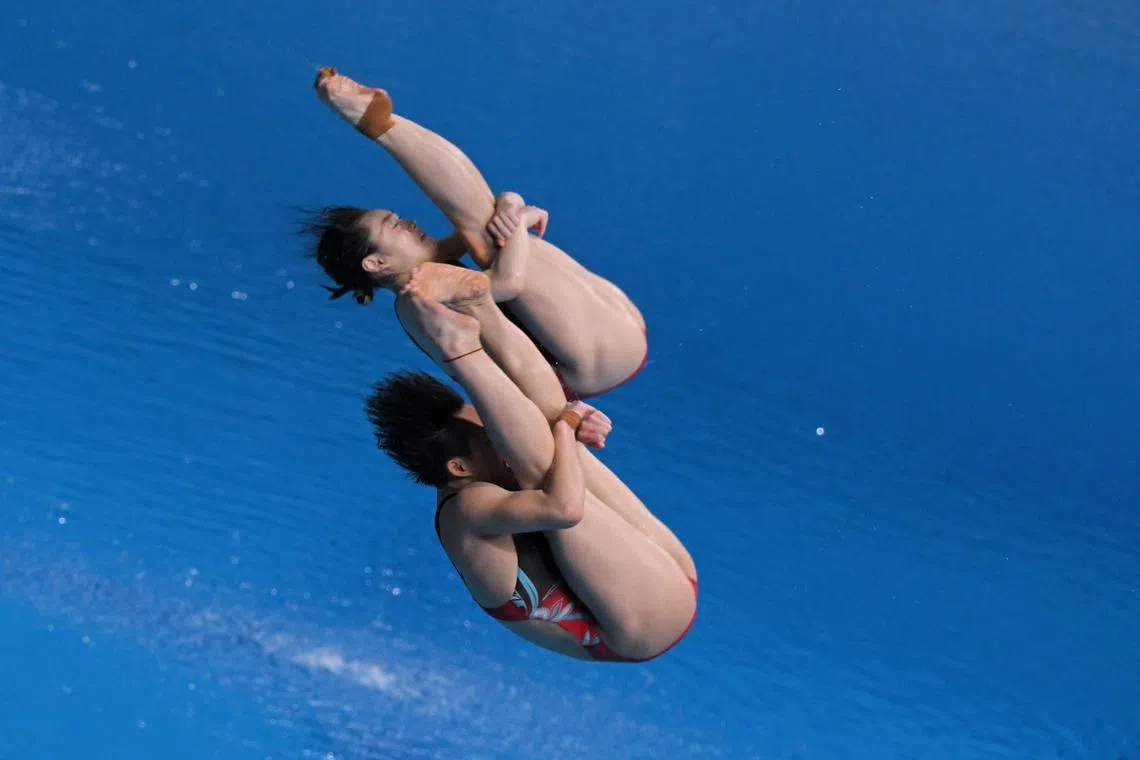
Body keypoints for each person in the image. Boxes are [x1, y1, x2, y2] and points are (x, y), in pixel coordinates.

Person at [370, 261, 697, 662]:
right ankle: (465, 355)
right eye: (492, 432)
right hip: (641, 626)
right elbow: (564, 509)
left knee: (546, 420)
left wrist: (573, 427)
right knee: (543, 448)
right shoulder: (468, 510)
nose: (503, 428)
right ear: (460, 469)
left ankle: (481, 311)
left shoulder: (479, 472)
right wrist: (568, 425)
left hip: (664, 567)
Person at [302, 66, 648, 399]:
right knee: (488, 234)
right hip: (591, 364)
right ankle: (378, 124)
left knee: (487, 227)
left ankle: (381, 123)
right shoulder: (419, 297)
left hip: (613, 339)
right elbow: (506, 282)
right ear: (376, 263)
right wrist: (518, 221)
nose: (408, 224)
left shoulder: (433, 264)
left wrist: (512, 204)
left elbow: (485, 209)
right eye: (394, 226)